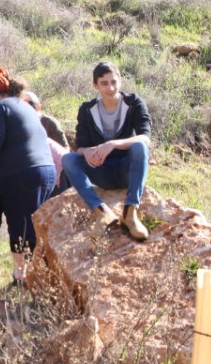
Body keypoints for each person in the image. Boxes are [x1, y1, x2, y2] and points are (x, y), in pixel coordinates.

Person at [0, 66, 56, 284]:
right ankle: (41, 274)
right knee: (36, 226)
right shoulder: (24, 106)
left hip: (22, 176)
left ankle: (23, 276)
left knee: (20, 228)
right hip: (45, 172)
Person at [60, 62, 152, 241]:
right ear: (95, 85)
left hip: (126, 169)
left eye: (113, 82)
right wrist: (86, 152)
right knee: (69, 159)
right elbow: (81, 145)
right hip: (101, 171)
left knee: (140, 147)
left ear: (120, 81)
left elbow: (145, 138)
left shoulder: (134, 103)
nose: (110, 88)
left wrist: (113, 144)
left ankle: (130, 212)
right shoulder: (87, 109)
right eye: (104, 83)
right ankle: (101, 211)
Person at [22, 91, 70, 198]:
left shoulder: (49, 122)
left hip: (57, 169)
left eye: (29, 104)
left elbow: (65, 148)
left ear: (38, 106)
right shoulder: (20, 124)